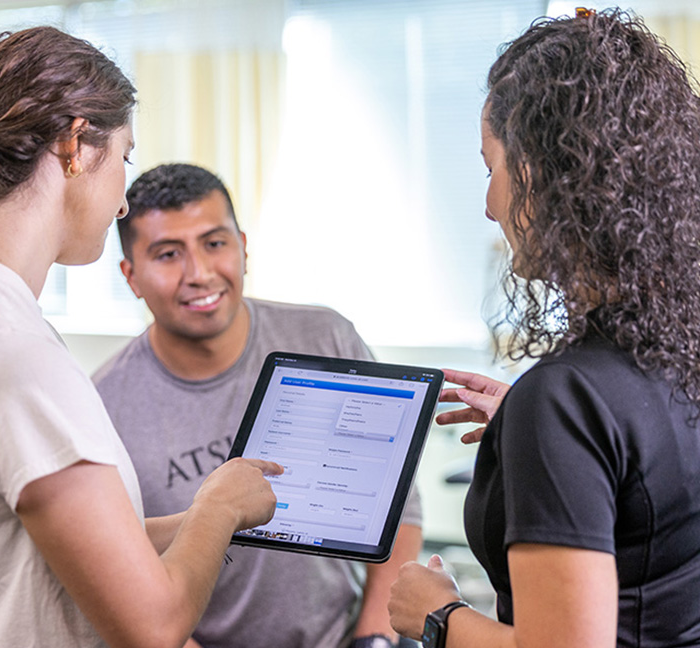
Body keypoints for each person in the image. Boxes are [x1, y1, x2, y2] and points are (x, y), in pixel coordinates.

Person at [0, 27, 283, 648]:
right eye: (123, 159)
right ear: (75, 145)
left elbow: (53, 549)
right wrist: (219, 505)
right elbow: (152, 627)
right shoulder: (11, 356)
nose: (123, 202)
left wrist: (191, 524)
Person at [387, 8, 700, 648]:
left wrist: (439, 613)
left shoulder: (567, 399)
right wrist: (553, 444)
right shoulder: (676, 348)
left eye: (490, 168)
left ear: (540, 172)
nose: (487, 203)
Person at [93, 162, 424, 648]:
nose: (200, 274)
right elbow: (115, 575)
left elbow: (397, 503)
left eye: (214, 243)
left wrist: (374, 638)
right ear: (132, 275)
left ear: (243, 248)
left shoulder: (325, 338)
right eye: (168, 254)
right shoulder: (102, 404)